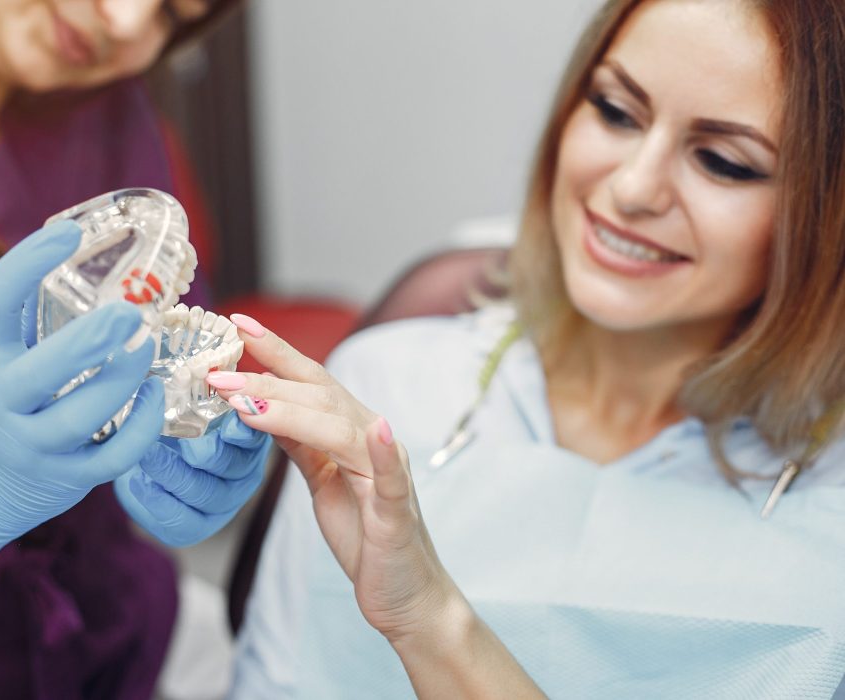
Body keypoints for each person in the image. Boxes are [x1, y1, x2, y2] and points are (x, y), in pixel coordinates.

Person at [211, 0, 845, 697]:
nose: (632, 188)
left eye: (724, 161)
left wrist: (431, 621)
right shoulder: (383, 385)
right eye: (614, 110)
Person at [0, 1, 268, 698]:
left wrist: (181, 428)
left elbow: (164, 333)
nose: (130, 24)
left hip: (117, 646)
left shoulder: (103, 105)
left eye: (173, 13)